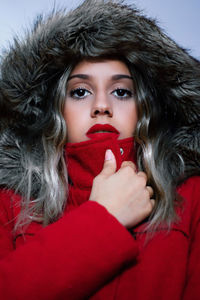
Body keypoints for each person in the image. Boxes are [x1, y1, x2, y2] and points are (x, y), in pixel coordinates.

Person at [0, 0, 200, 299]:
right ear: (54, 108)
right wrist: (104, 216)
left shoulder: (191, 196)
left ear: (146, 107)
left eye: (121, 92)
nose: (102, 106)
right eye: (80, 92)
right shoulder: (11, 204)